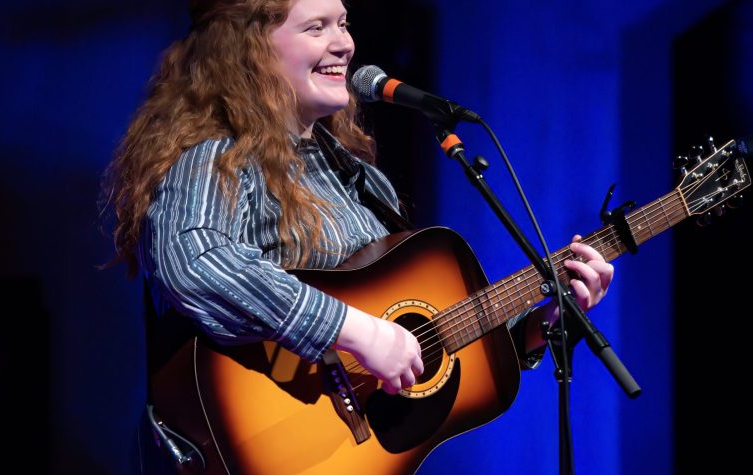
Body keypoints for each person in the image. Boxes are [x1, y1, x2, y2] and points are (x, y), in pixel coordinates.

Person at [100, 0, 614, 473]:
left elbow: (416, 350)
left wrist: (534, 326)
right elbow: (193, 261)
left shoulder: (360, 180)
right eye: (316, 26)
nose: (344, 43)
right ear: (246, 50)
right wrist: (357, 331)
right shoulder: (217, 159)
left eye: (343, 23)